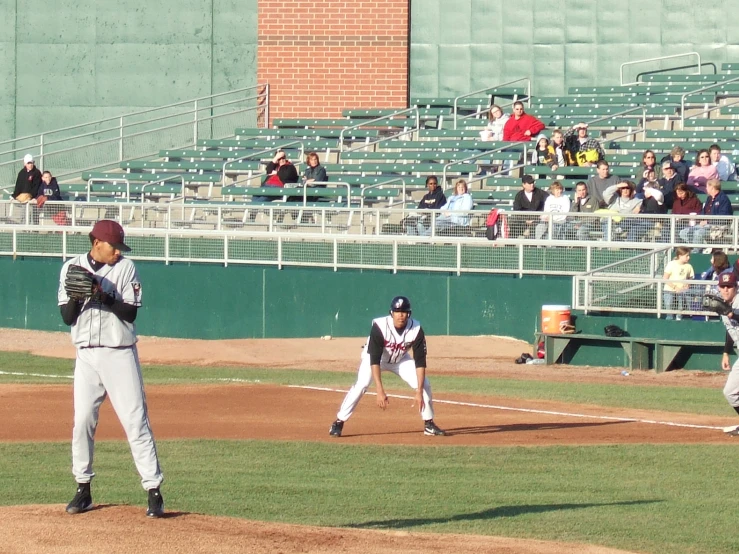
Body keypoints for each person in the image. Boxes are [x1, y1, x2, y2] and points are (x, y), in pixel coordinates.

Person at [58, 220, 164, 518]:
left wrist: (102, 294)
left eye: (119, 247)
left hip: (119, 354)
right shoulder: (71, 267)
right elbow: (67, 317)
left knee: (135, 421)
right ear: (97, 243)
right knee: (82, 422)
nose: (117, 252)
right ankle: (83, 490)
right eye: (113, 246)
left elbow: (130, 313)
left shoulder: (126, 268)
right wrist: (80, 295)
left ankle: (154, 491)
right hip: (86, 356)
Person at [328, 296, 445, 438]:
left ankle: (428, 424)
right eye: (397, 311)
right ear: (391, 313)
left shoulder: (416, 329)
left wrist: (419, 390)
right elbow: (374, 360)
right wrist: (379, 390)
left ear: (409, 313)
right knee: (362, 384)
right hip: (376, 359)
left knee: (424, 383)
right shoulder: (380, 326)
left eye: (404, 312)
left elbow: (420, 362)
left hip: (400, 359)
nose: (400, 315)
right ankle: (339, 421)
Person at [710, 272, 739, 437]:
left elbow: (734, 318)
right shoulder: (723, 305)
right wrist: (726, 352)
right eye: (723, 286)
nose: (726, 290)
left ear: (736, 287)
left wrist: (731, 314)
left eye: (729, 286)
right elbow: (731, 330)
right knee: (730, 392)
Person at [679, 179, 733, 247]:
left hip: (717, 226)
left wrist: (708, 221)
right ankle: (699, 247)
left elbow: (724, 218)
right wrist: (700, 219)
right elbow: (703, 212)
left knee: (698, 233)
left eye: (707, 187)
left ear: (712, 187)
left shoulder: (723, 199)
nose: (706, 188)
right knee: (683, 232)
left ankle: (697, 252)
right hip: (704, 225)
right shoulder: (709, 198)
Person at [662, 247, 694, 320]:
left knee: (680, 308)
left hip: (682, 292)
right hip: (669, 290)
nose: (688, 258)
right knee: (669, 307)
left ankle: (679, 319)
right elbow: (665, 278)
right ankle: (669, 320)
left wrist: (687, 285)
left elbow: (691, 278)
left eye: (689, 256)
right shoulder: (671, 264)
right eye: (686, 256)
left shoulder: (689, 266)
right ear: (680, 256)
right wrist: (675, 287)